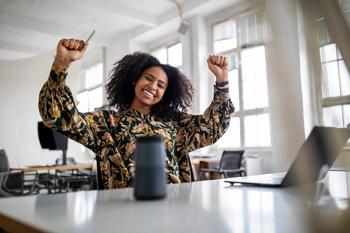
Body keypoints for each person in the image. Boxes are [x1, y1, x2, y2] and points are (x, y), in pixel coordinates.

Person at [38, 38, 235, 189]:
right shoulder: (106, 122)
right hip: (123, 213)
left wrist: (222, 81)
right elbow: (59, 117)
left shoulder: (175, 124)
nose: (153, 86)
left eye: (161, 85)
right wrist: (61, 64)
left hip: (173, 208)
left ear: (166, 94)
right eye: (148, 78)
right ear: (134, 80)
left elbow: (212, 128)